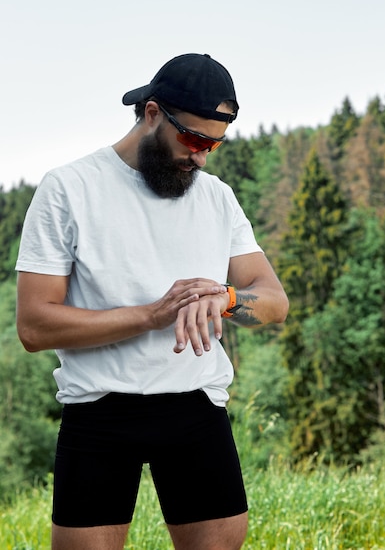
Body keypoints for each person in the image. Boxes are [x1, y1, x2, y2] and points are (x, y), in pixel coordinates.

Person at [15, 52, 289, 550]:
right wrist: (151, 316)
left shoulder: (217, 197)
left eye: (215, 144)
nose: (203, 157)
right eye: (194, 139)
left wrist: (226, 298)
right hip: (98, 411)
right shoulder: (69, 188)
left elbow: (274, 302)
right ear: (153, 113)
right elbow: (35, 326)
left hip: (197, 408)